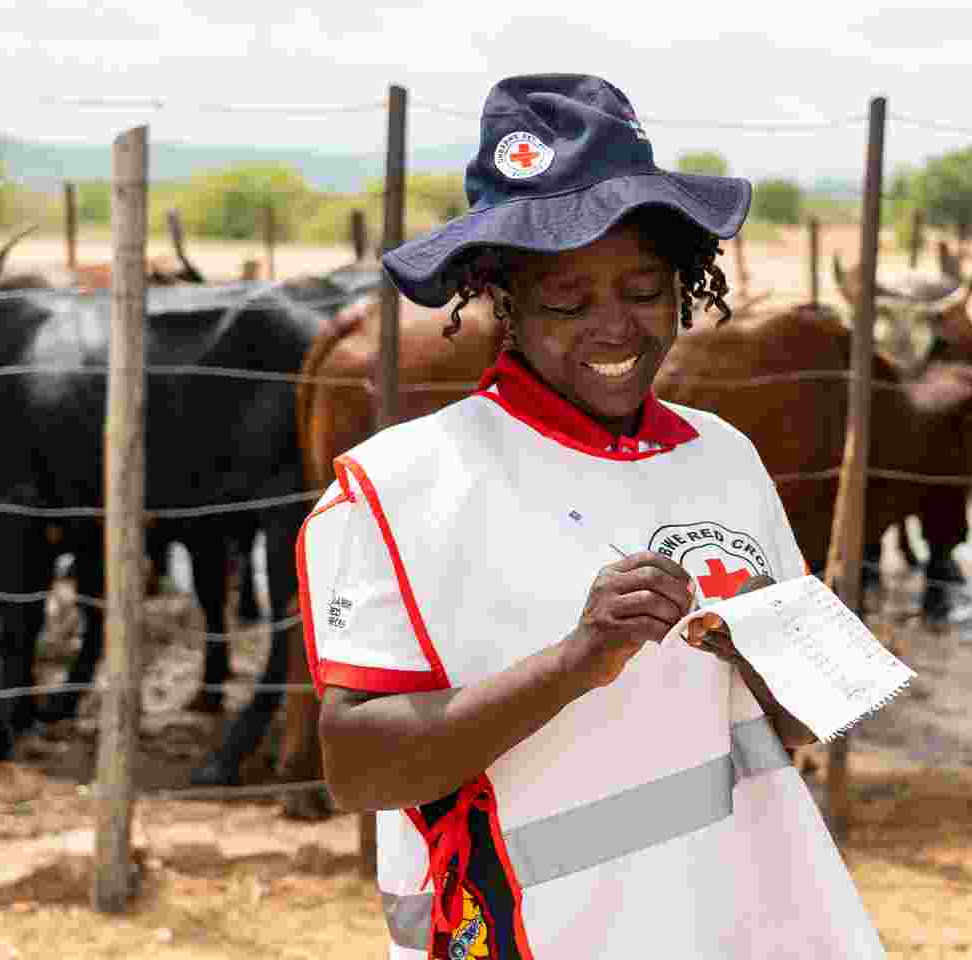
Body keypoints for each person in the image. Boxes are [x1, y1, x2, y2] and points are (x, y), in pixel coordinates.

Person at [298, 74, 887, 959]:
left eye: (646, 289)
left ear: (688, 284)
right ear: (505, 299)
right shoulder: (400, 488)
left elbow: (796, 723)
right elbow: (355, 767)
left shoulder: (720, 453)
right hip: (529, 937)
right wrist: (578, 661)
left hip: (741, 927)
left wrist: (783, 657)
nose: (616, 328)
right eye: (569, 299)